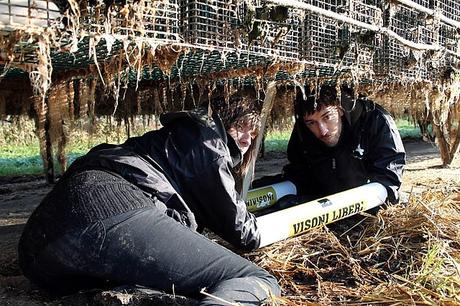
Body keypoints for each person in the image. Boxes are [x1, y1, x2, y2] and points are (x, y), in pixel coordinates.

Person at [18, 97, 281, 305]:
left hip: (38, 253)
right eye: (239, 128)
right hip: (108, 210)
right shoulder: (209, 145)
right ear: (222, 123)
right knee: (255, 279)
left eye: (252, 133)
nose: (246, 139)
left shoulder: (172, 138)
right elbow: (243, 232)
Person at [255, 84, 405, 210]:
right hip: (322, 204)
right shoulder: (303, 130)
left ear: (339, 109)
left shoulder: (376, 120)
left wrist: (338, 207)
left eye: (327, 117)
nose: (322, 130)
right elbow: (299, 173)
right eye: (311, 123)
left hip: (365, 209)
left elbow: (388, 182)